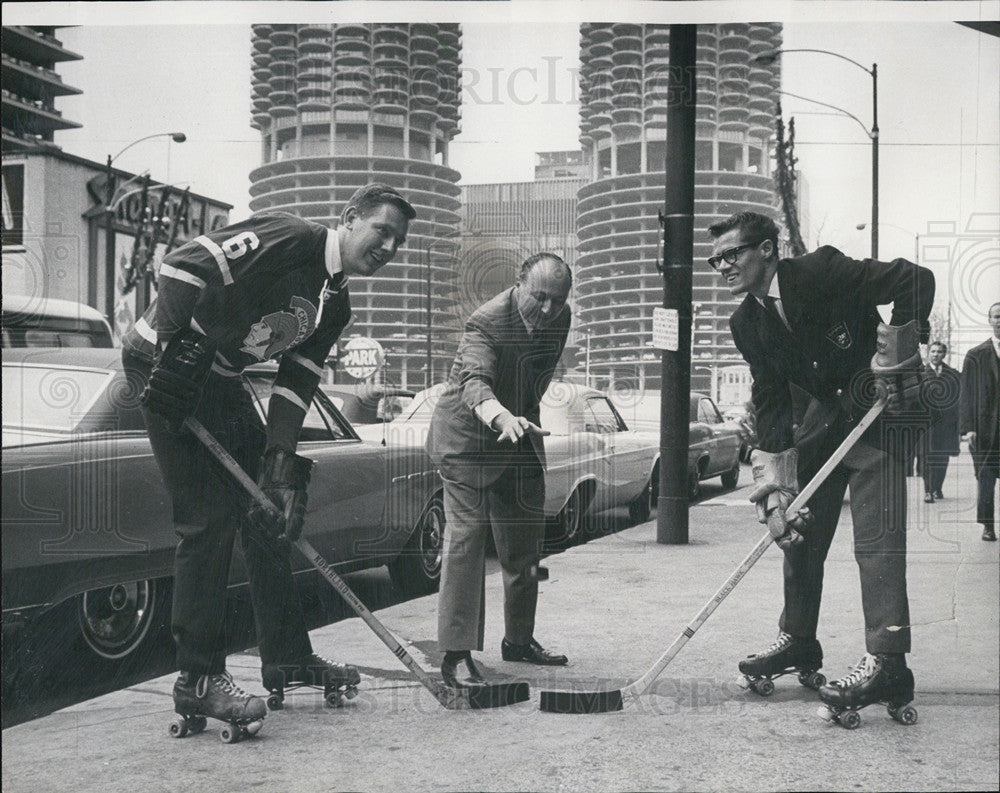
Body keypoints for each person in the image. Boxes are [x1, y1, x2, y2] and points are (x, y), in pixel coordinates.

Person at [121, 184, 414, 729]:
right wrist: (170, 352)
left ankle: (285, 657)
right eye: (382, 231)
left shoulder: (337, 302)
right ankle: (198, 678)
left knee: (270, 511)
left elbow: (295, 381)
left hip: (222, 381)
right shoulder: (292, 237)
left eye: (399, 240)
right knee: (207, 520)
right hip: (160, 366)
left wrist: (279, 456)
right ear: (350, 220)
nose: (390, 247)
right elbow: (185, 266)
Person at [708, 211, 934, 718]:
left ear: (766, 249)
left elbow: (916, 280)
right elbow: (769, 399)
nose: (722, 266)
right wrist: (776, 484)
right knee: (800, 532)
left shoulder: (822, 270)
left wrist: (894, 353)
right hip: (825, 423)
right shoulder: (745, 322)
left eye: (731, 254)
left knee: (875, 545)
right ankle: (800, 641)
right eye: (714, 259)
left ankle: (889, 662)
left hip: (878, 415)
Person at [426, 253, 572, 689]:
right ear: (519, 284)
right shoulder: (485, 321)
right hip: (468, 441)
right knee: (467, 542)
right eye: (539, 297)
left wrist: (518, 421)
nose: (547, 311)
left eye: (558, 300)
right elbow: (475, 382)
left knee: (525, 546)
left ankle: (519, 641)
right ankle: (455, 655)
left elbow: (537, 378)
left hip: (519, 434)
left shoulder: (560, 319)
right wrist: (500, 416)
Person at [959, 302, 1000, 542]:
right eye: (996, 316)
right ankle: (988, 526)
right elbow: (967, 394)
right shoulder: (976, 355)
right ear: (989, 320)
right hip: (986, 430)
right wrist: (969, 428)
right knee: (986, 479)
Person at [921, 341, 961, 503]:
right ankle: (928, 490)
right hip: (927, 425)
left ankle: (937, 487)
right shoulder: (921, 374)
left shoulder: (952, 374)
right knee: (927, 457)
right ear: (928, 353)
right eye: (933, 351)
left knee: (942, 458)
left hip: (946, 424)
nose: (936, 354)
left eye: (939, 352)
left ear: (944, 354)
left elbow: (958, 399)